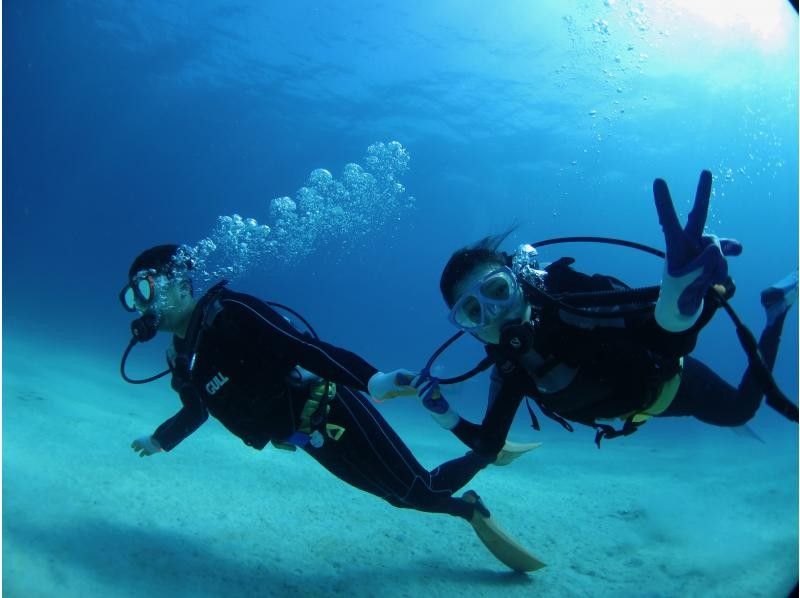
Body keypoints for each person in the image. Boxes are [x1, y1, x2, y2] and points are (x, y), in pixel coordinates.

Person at [119, 244, 543, 572]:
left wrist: (371, 380)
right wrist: (161, 440)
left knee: (418, 490)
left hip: (331, 409)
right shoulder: (181, 359)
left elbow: (306, 349)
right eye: (133, 297)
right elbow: (196, 410)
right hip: (307, 438)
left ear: (178, 282)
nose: (142, 306)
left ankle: (479, 469)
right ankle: (473, 486)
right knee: (402, 497)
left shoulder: (230, 311)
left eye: (146, 289)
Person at [390, 170, 797, 490]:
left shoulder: (574, 300)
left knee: (741, 410)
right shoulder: (511, 367)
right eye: (473, 312)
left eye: (498, 291)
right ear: (469, 328)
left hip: (674, 385)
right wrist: (445, 416)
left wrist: (676, 307)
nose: (495, 314)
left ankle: (775, 311)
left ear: (521, 281)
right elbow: (488, 446)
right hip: (640, 409)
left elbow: (659, 334)